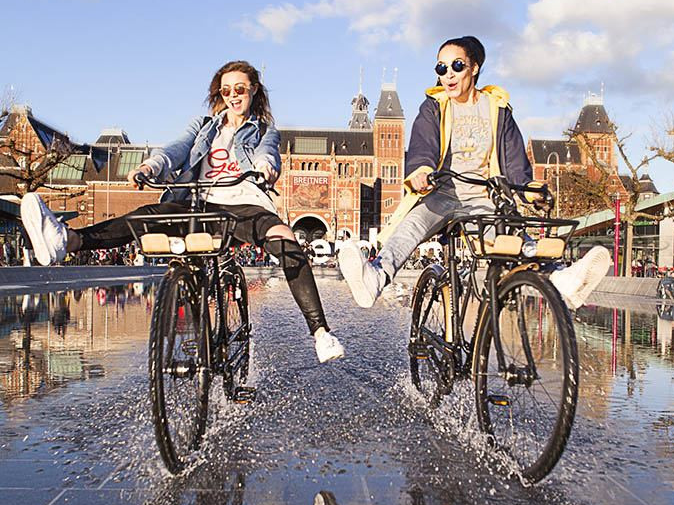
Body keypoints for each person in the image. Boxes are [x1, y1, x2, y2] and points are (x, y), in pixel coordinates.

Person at [20, 60, 344, 363]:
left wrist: (264, 168)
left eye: (240, 89)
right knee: (146, 216)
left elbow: (267, 153)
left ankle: (320, 332)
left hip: (242, 202)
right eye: (226, 90)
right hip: (197, 201)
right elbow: (176, 150)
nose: (233, 96)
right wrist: (150, 166)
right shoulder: (204, 126)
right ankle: (68, 240)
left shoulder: (264, 129)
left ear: (254, 90)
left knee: (284, 239)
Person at [339, 36, 610, 309]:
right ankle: (375, 277)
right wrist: (421, 171)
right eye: (441, 68)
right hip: (440, 194)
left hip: (482, 197)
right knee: (408, 229)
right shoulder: (434, 106)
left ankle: (562, 280)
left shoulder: (497, 108)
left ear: (474, 67)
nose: (448, 74)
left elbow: (514, 162)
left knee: (511, 238)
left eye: (456, 65)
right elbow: (423, 145)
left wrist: (531, 191)